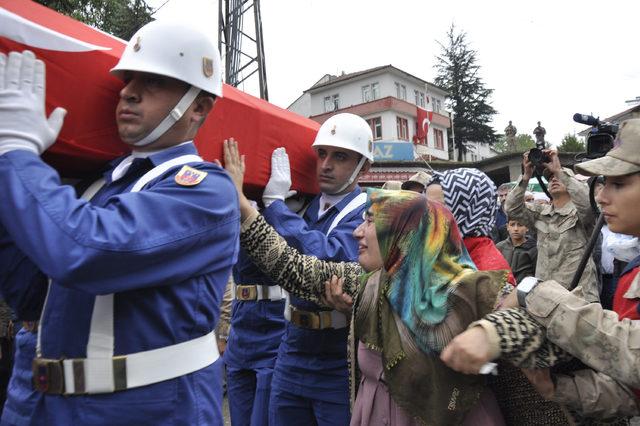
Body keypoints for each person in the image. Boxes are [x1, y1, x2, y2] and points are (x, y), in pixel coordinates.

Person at [0, 19, 239, 425]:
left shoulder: (205, 193)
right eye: (128, 79)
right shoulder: (101, 184)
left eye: (153, 81)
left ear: (198, 106)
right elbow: (31, 289)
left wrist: (18, 156)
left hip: (143, 410)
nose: (128, 91)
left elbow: (83, 252)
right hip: (41, 404)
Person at [222, 138, 508, 424]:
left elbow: (530, 311)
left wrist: (491, 332)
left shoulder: (468, 288)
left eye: (372, 222)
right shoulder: (372, 283)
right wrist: (248, 208)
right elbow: (294, 268)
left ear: (405, 233)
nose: (357, 232)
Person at [441, 118, 640, 418]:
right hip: (556, 314)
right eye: (604, 184)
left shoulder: (583, 213)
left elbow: (632, 356)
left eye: (619, 183)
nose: (603, 194)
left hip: (577, 310)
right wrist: (557, 390)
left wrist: (531, 292)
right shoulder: (543, 213)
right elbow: (631, 392)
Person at [256, 113, 373, 425]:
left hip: (337, 356)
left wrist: (277, 209)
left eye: (340, 156)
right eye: (321, 154)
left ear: (364, 166)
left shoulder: (367, 214)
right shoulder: (303, 208)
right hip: (292, 346)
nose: (326, 164)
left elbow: (330, 260)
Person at [504, 150, 599, 302]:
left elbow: (588, 204)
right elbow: (511, 208)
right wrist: (526, 176)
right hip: (547, 299)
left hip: (579, 297)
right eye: (550, 178)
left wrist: (559, 171)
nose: (554, 179)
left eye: (558, 177)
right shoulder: (540, 213)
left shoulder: (580, 213)